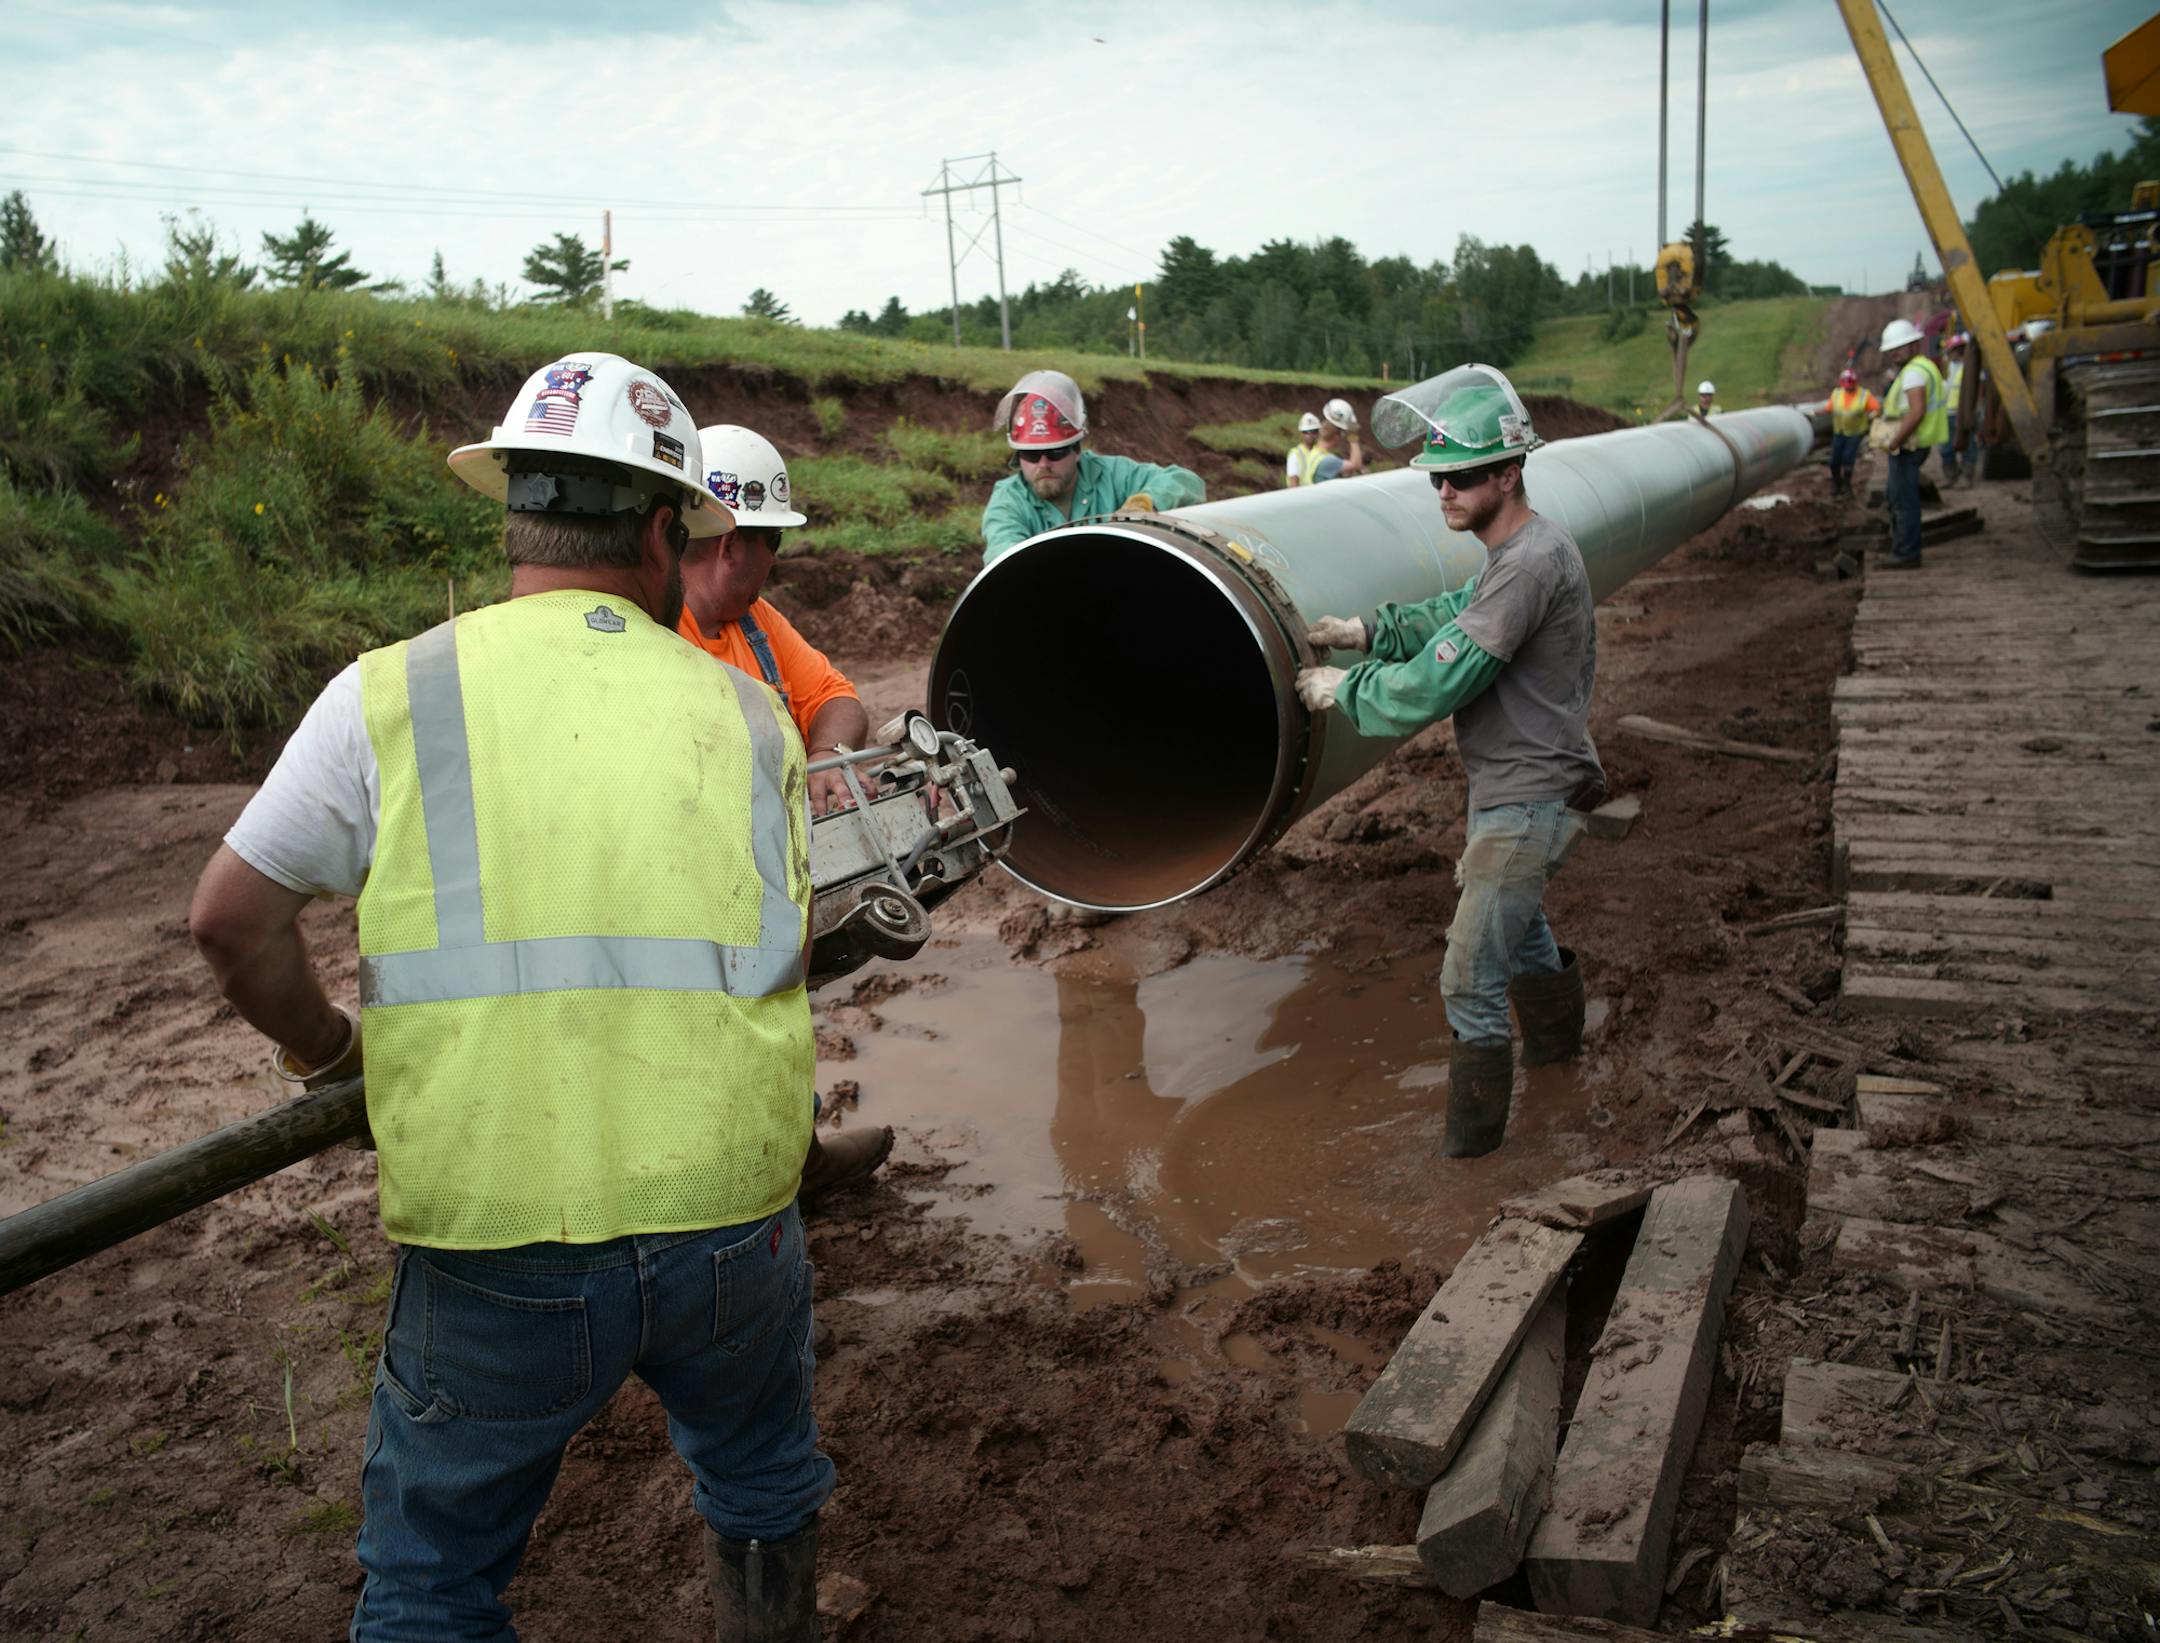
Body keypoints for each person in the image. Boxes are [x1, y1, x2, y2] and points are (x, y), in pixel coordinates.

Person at [187, 353, 834, 1640]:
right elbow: (786, 951)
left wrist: (332, 1056)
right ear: (662, 530)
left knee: (433, 1579)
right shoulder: (755, 716)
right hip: (732, 1215)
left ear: (514, 516)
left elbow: (229, 920)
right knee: (761, 1482)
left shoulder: (392, 691)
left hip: (497, 1233)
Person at [1293, 365, 1602, 1160]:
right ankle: (1562, 1073)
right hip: (1510, 784)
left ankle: (1473, 1166)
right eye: (1437, 478)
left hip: (1526, 794)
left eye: (1462, 476)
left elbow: (1447, 673)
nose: (1444, 493)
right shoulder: (1518, 554)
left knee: (1469, 975)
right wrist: (1370, 628)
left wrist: (1346, 689)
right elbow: (1452, 615)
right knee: (1523, 935)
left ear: (1509, 471)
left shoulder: (1531, 561)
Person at [682, 422, 894, 1203]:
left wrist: (827, 766)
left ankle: (793, 1153)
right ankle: (746, 1182)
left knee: (780, 1012)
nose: (777, 562)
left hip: (763, 876)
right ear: (734, 541)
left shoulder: (755, 623)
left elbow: (836, 699)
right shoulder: (658, 634)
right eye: (774, 543)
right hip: (686, 881)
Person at [980, 369, 1204, 562]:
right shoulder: (1008, 500)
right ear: (1018, 457)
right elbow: (1003, 554)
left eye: (1055, 452)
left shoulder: (1113, 475)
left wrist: (1146, 504)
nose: (1043, 464)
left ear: (1076, 450)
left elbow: (1187, 482)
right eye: (1031, 455)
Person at [1878, 315, 1947, 569]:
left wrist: (1894, 441)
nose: (1895, 354)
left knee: (1903, 500)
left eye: (1899, 348)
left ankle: (1906, 553)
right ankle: (1902, 547)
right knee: (1898, 496)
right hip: (1916, 443)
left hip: (1909, 445)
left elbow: (1916, 411)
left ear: (1914, 345)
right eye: (1891, 350)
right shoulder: (1924, 366)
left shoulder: (1913, 374)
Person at [1823, 367, 1881, 496]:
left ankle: (1847, 485)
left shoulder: (1864, 395)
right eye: (1846, 385)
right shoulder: (1837, 394)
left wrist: (1872, 416)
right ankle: (1837, 484)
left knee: (1848, 459)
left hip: (1855, 433)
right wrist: (1812, 413)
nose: (1848, 388)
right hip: (1839, 432)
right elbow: (1828, 408)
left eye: (1850, 384)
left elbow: (1876, 408)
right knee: (1834, 461)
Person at [1937, 332, 1969, 487]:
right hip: (1948, 412)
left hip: (1963, 413)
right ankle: (1951, 476)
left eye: (1951, 351)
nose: (1949, 355)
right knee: (1946, 446)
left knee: (1967, 446)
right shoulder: (1951, 367)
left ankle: (1966, 477)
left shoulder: (1970, 368)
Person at [1318, 396, 1365, 482]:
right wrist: (1353, 436)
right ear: (1337, 436)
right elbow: (1356, 465)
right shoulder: (1328, 461)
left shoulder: (1312, 453)